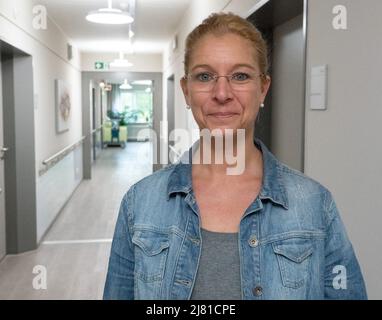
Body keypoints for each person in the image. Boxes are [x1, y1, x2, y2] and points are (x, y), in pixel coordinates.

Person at [103, 12, 367, 300]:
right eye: (205, 76)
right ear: (186, 91)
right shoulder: (140, 203)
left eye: (240, 76)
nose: (221, 93)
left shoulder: (315, 204)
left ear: (263, 88)